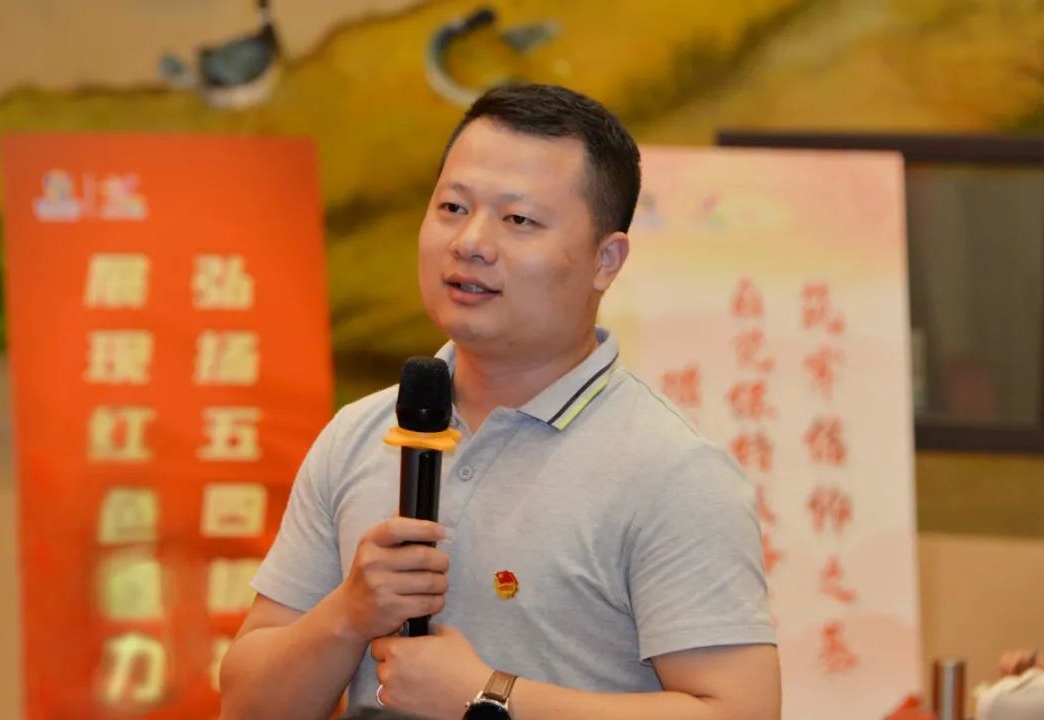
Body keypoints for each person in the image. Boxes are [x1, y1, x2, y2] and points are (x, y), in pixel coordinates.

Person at [219, 83, 780, 720]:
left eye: (518, 221)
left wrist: (489, 696)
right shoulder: (359, 433)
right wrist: (346, 615)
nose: (471, 242)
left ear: (606, 259)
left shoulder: (673, 471)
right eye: (452, 207)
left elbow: (742, 712)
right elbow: (245, 707)